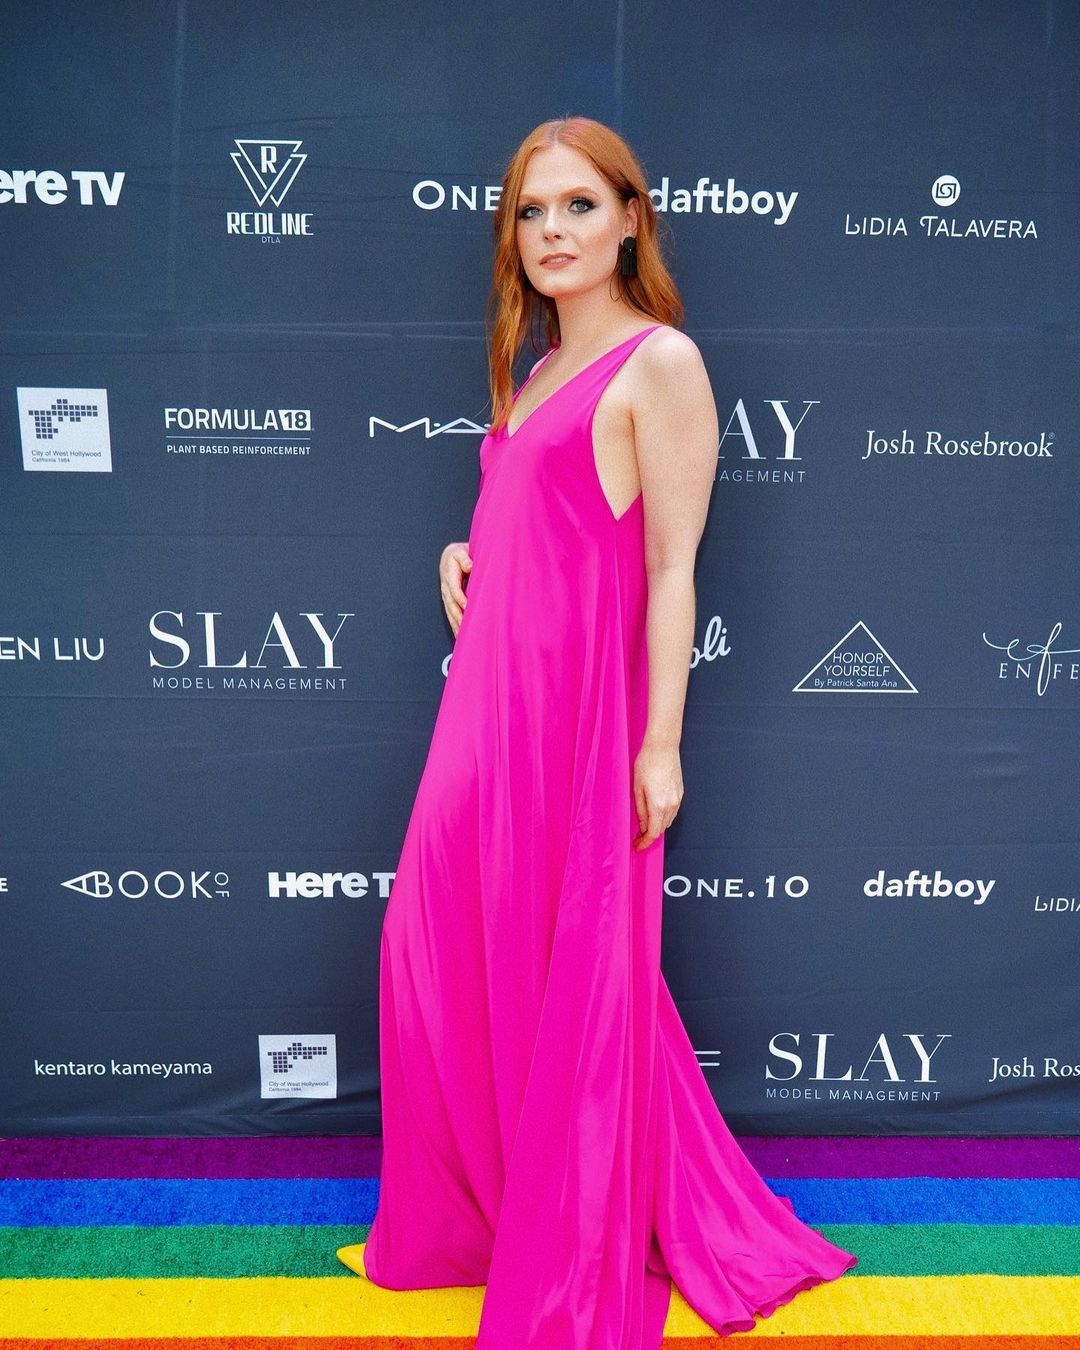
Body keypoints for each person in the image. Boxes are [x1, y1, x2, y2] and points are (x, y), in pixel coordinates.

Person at [337, 115, 857, 1346]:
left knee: (573, 969)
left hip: (576, 720)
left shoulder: (661, 362)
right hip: (486, 703)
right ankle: (486, 1215)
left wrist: (658, 744)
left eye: (579, 206)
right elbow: (549, 515)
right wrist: (469, 549)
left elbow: (671, 568)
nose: (552, 232)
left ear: (631, 219)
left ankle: (569, 1235)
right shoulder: (534, 371)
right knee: (437, 942)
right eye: (531, 212)